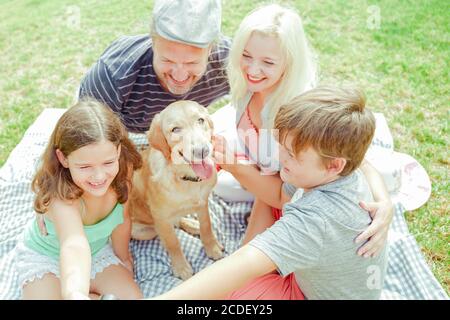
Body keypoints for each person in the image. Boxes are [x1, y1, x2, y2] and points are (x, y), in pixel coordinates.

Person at [153, 85, 388, 300]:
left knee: (231, 296)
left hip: (306, 294)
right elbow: (364, 164)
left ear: (335, 165)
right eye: (282, 147)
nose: (279, 157)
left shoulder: (314, 220)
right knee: (269, 189)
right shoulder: (338, 167)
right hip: (321, 268)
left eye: (292, 155)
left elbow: (243, 264)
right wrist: (386, 200)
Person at [212, 4, 392, 257]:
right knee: (218, 188)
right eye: (246, 55)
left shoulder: (299, 108)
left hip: (294, 198)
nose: (252, 69)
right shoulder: (246, 86)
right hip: (270, 184)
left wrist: (385, 203)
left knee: (244, 269)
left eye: (268, 62)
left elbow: (357, 161)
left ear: (290, 61)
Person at [14, 99, 143, 300]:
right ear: (63, 159)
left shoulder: (122, 173)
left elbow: (123, 220)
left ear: (118, 151)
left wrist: (124, 258)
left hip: (97, 253)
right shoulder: (61, 195)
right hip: (48, 258)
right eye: (85, 167)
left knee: (132, 298)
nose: (99, 176)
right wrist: (75, 293)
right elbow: (73, 243)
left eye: (108, 162)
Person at [79, 0, 229, 133]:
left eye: (192, 63)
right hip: (126, 134)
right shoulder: (112, 76)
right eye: (168, 60)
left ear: (211, 49)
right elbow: (90, 137)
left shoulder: (232, 62)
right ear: (153, 42)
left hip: (184, 133)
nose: (179, 76)